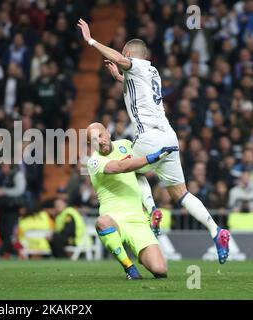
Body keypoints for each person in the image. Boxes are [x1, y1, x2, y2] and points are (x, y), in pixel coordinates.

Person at [77, 19, 231, 264]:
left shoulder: (135, 64)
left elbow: (119, 58)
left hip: (148, 136)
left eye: (125, 55)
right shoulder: (152, 72)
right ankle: (216, 230)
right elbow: (138, 90)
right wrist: (119, 78)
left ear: (130, 55)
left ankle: (152, 211)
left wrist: (91, 40)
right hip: (168, 135)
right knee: (181, 194)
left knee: (129, 170)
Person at [86, 122, 177, 279]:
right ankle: (129, 268)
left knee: (160, 270)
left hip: (137, 219)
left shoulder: (127, 145)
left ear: (108, 133)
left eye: (100, 136)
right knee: (102, 222)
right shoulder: (93, 162)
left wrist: (151, 207)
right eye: (94, 140)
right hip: (114, 218)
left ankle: (142, 252)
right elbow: (121, 167)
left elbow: (140, 177)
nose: (100, 141)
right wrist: (149, 158)